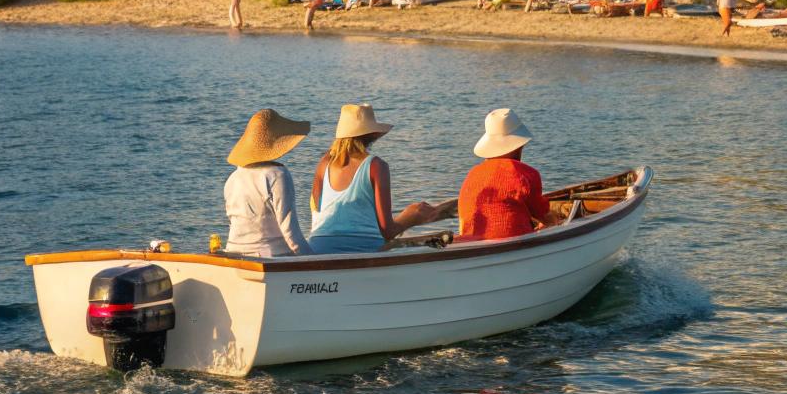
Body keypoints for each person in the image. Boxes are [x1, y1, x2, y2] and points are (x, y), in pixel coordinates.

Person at [308, 102, 440, 253]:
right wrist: (411, 216)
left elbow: (316, 214)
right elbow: (387, 231)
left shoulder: (323, 163)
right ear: (373, 135)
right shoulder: (376, 166)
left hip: (317, 247)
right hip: (362, 247)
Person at [223, 109, 312, 258]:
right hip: (269, 255)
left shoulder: (233, 178)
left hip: (233, 251)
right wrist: (313, 259)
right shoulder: (277, 174)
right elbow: (290, 231)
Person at [457, 109, 554, 242]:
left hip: (470, 243)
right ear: (519, 146)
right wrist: (558, 222)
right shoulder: (526, 174)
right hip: (514, 244)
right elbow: (545, 217)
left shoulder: (472, 174)